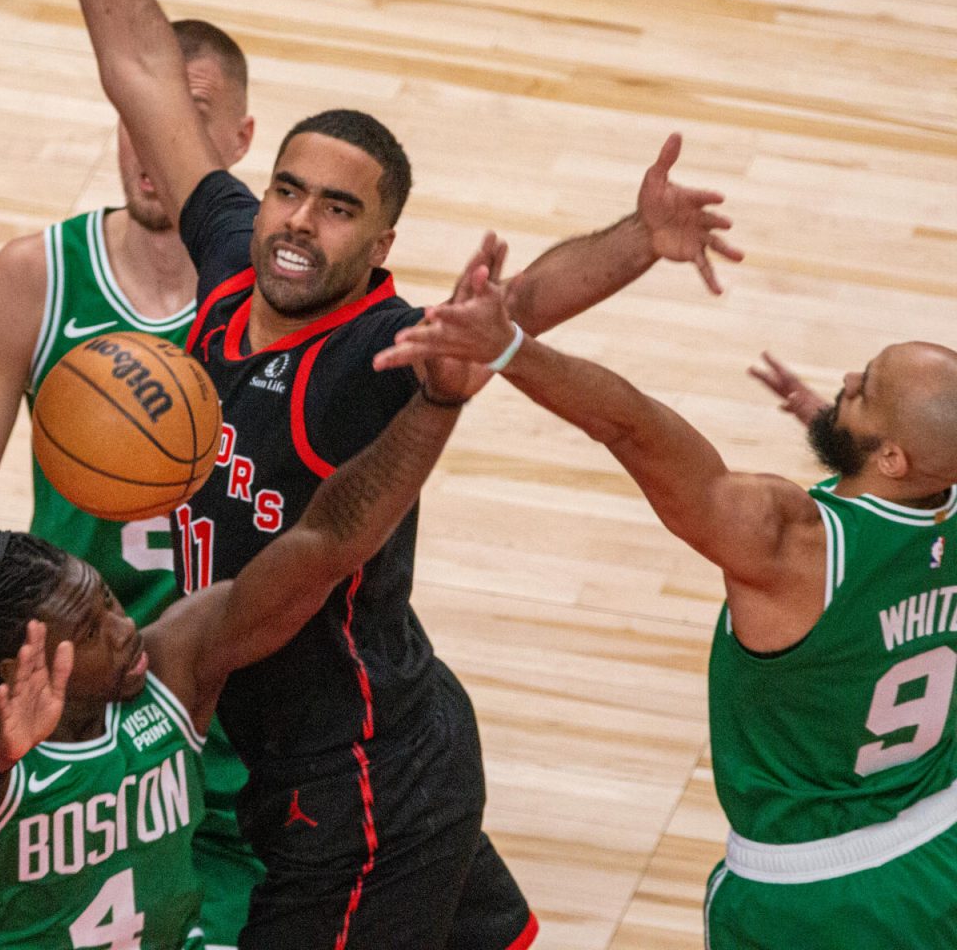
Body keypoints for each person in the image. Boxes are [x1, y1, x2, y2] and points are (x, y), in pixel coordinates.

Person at [56, 0, 744, 946]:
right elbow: (144, 69)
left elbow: (512, 310)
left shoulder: (367, 349)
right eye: (289, 190)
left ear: (380, 245)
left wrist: (637, 241)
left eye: (339, 211)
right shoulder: (229, 260)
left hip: (357, 777)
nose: (299, 221)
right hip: (386, 732)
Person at [0, 311, 491, 949]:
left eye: (108, 605)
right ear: (18, 666)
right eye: (91, 631)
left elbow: (327, 544)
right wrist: (0, 753)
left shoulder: (171, 668)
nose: (125, 628)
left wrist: (437, 404)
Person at [377, 270, 957, 949]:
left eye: (867, 390)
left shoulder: (789, 542)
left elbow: (631, 426)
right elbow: (900, 515)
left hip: (810, 897)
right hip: (939, 847)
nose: (849, 378)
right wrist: (841, 431)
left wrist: (509, 348)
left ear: (892, 456)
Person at [0, 18, 263, 948]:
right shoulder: (36, 278)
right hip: (75, 682)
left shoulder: (279, 307)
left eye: (185, 119)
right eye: (137, 114)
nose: (154, 144)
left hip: (220, 685)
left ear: (239, 142)